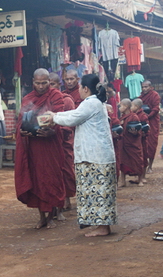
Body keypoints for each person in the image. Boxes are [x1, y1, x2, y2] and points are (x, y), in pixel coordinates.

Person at [48, 74, 117, 237]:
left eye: (79, 87)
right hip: (95, 155)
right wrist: (55, 116)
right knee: (96, 191)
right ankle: (100, 225)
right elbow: (74, 114)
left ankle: (103, 227)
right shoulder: (94, 103)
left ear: (85, 89)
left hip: (96, 156)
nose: (78, 90)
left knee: (99, 191)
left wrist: (54, 117)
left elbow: (74, 117)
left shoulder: (91, 103)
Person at [15, 68, 66, 229]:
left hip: (50, 144)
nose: (41, 86)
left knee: (50, 178)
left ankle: (51, 216)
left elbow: (60, 117)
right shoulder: (27, 99)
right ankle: (41, 217)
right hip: (34, 145)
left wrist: (52, 131)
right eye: (38, 83)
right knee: (36, 179)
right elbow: (21, 120)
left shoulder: (56, 96)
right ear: (33, 82)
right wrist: (21, 131)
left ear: (49, 83)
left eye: (44, 83)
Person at [49, 71, 75, 210]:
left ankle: (67, 199)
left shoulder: (67, 100)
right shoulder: (46, 99)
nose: (49, 87)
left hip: (64, 140)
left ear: (59, 84)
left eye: (52, 84)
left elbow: (71, 122)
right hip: (50, 141)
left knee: (65, 169)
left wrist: (58, 128)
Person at [118, 98, 144, 187]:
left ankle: (140, 180)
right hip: (123, 143)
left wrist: (135, 132)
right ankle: (123, 181)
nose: (119, 108)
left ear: (126, 106)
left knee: (137, 160)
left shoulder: (134, 117)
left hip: (133, 143)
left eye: (120, 106)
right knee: (122, 161)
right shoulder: (121, 118)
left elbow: (138, 129)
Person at [139, 81, 161, 173]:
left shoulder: (155, 95)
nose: (144, 89)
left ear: (151, 87)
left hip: (152, 121)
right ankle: (143, 165)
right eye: (143, 87)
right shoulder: (140, 97)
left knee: (152, 143)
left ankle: (150, 166)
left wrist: (148, 116)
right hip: (143, 121)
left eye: (146, 87)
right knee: (142, 143)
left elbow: (156, 108)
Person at [131, 98, 149, 185]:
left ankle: (143, 177)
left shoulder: (143, 116)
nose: (130, 107)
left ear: (137, 107)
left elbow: (147, 129)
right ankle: (137, 176)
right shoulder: (132, 115)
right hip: (134, 140)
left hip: (142, 140)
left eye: (132, 106)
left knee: (143, 157)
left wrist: (140, 132)